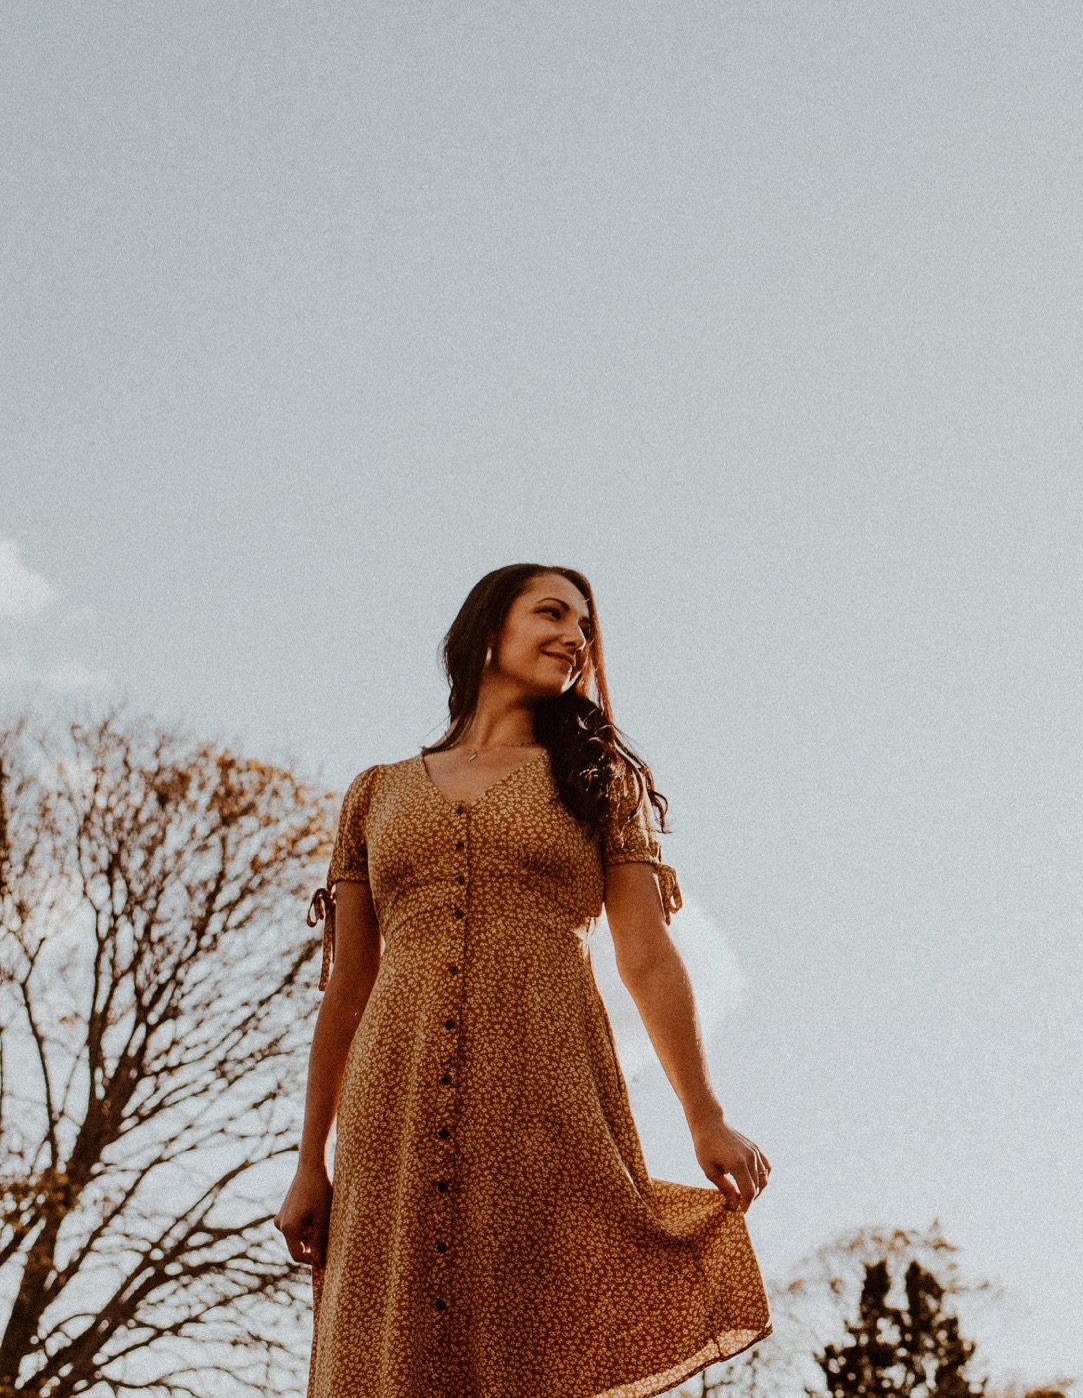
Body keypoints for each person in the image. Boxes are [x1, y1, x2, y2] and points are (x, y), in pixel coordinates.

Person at [277, 563, 773, 1396]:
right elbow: (348, 988)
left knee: (529, 1331)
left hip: (543, 1092)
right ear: (488, 626)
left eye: (585, 625)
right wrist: (308, 1160)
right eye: (552, 612)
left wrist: (706, 1115)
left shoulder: (599, 784)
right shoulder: (374, 794)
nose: (575, 636)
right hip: (388, 1107)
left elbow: (646, 955)